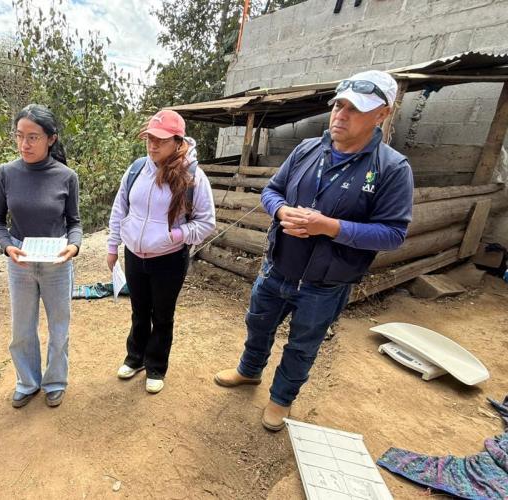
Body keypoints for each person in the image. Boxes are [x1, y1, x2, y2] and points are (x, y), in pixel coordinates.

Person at [214, 70, 414, 431]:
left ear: (381, 114)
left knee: (303, 344)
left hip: (325, 283)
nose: (341, 114)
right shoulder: (307, 149)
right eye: (339, 105)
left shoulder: (392, 168)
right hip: (277, 268)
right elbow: (271, 191)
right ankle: (249, 371)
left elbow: (393, 234)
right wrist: (279, 209)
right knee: (257, 325)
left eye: (355, 108)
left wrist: (331, 227)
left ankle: (281, 400)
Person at [107, 109, 216, 394]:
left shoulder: (193, 177)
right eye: (149, 138)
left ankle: (156, 365)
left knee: (162, 314)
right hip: (134, 254)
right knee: (139, 310)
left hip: (169, 258)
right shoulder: (136, 169)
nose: (152, 145)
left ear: (178, 141)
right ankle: (136, 358)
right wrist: (113, 245)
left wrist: (176, 235)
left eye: (160, 140)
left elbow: (207, 222)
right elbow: (120, 208)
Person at [0, 104, 81, 409]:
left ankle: (55, 381)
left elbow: (75, 223)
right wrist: (7, 246)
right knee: (22, 327)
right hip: (20, 260)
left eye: (33, 137)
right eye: (19, 136)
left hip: (57, 261)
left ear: (51, 139)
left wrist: (74, 246)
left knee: (59, 326)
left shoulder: (67, 176)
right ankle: (27, 382)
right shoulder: (6, 173)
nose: (24, 144)